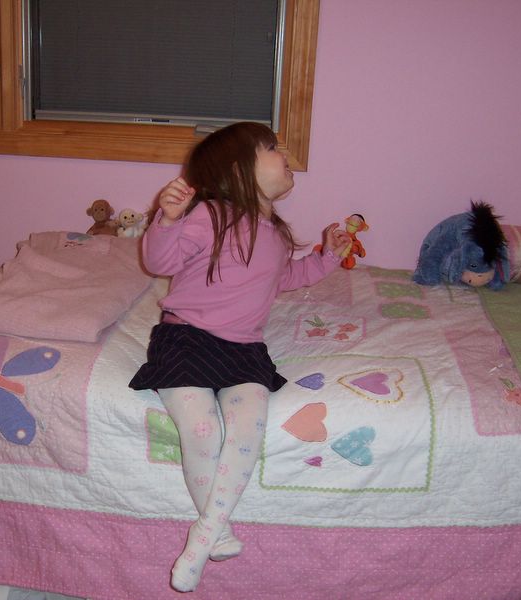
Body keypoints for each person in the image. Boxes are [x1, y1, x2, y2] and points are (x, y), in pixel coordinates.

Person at [129, 122, 351, 593]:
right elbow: (161, 262)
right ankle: (218, 530)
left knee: (249, 427)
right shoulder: (210, 214)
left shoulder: (275, 233)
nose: (284, 154)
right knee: (202, 429)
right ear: (237, 170)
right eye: (271, 148)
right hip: (186, 338)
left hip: (245, 348)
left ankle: (205, 532)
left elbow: (284, 279)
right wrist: (167, 221)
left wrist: (328, 258)